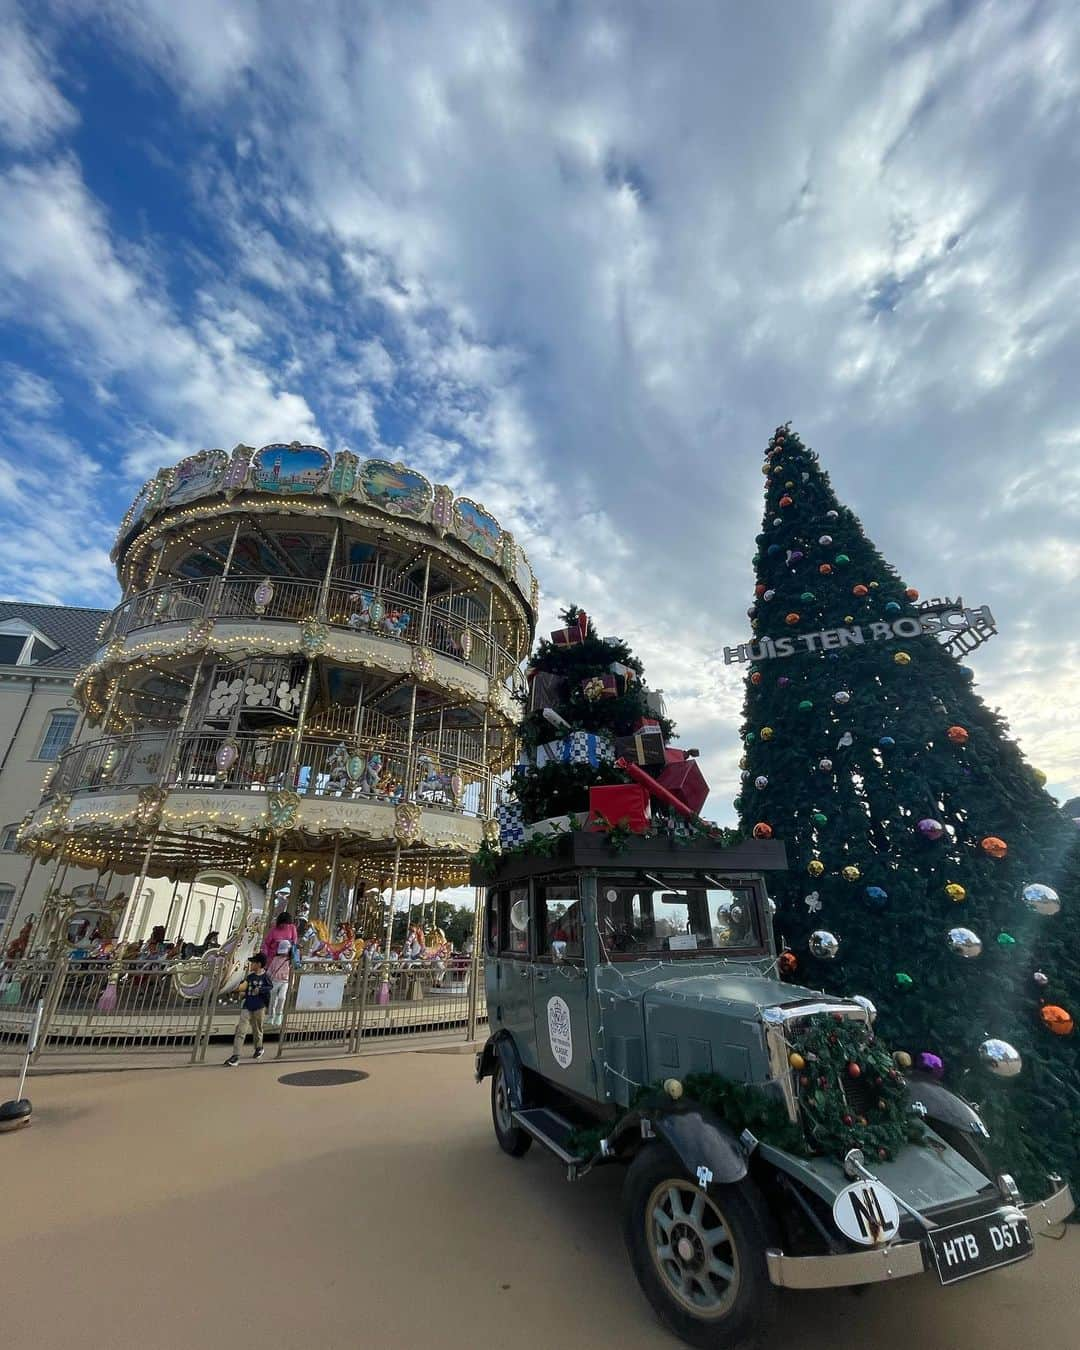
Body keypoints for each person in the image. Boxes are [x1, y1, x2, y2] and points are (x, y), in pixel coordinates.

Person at [224, 954, 272, 1066]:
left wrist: (260, 990)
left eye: (253, 962)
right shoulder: (250, 977)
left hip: (259, 1007)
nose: (251, 964)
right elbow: (243, 987)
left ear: (259, 964)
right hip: (247, 1006)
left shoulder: (265, 977)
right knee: (241, 1030)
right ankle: (235, 1056)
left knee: (257, 1029)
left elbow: (270, 987)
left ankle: (259, 1047)